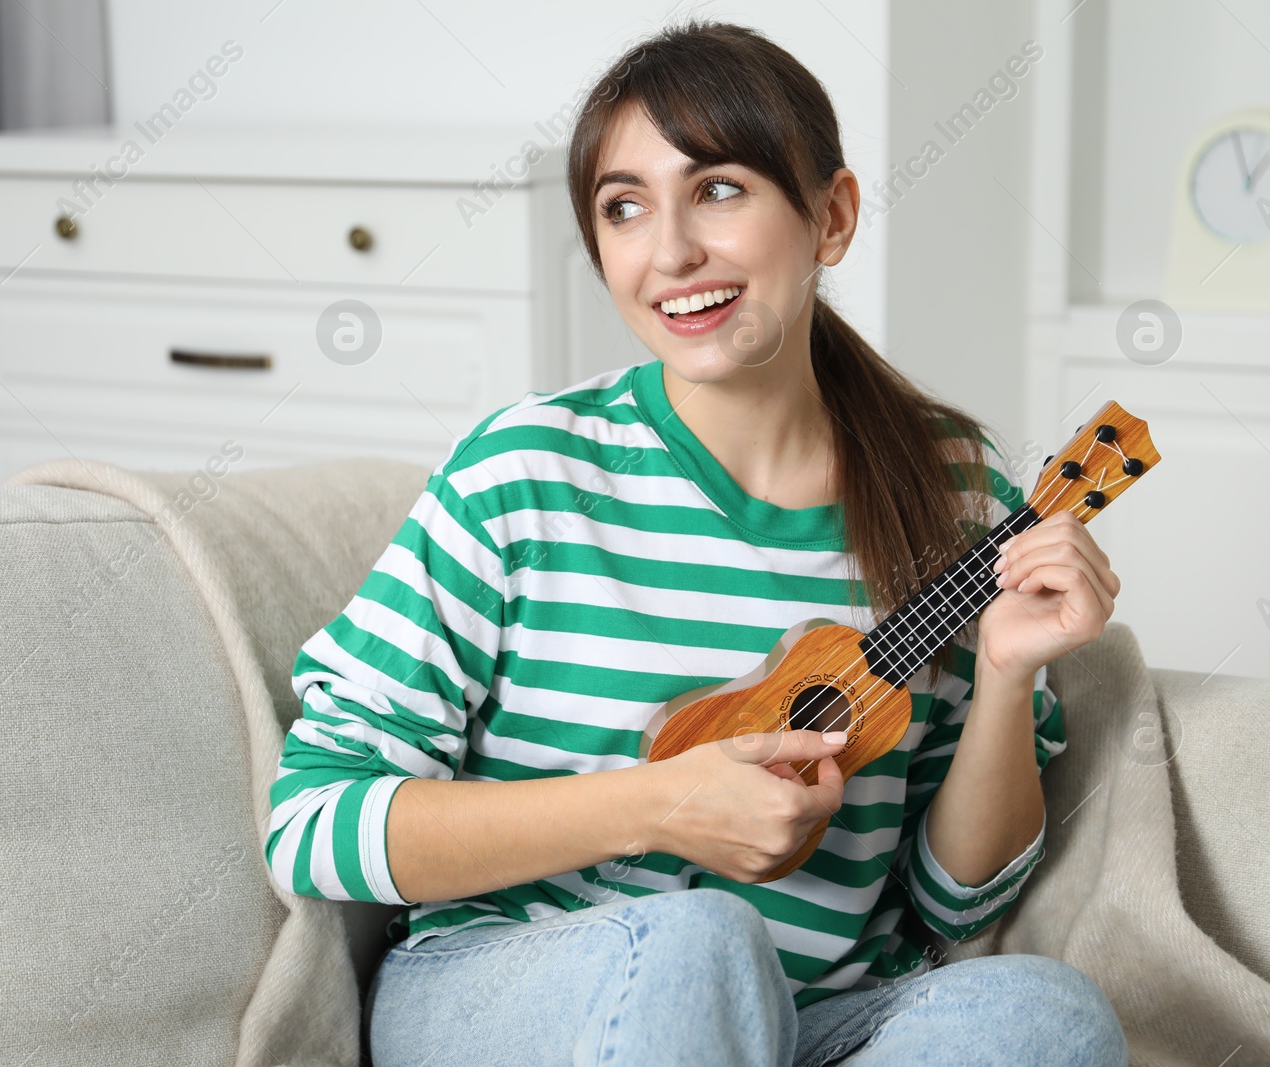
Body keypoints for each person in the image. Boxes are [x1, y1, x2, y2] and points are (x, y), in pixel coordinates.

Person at [266, 18, 1130, 1067]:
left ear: (832, 216)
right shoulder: (524, 473)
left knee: (1045, 1010)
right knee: (694, 943)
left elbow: (959, 899)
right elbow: (313, 821)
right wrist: (654, 804)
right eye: (624, 207)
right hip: (510, 990)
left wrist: (1002, 673)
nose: (670, 252)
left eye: (717, 188)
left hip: (813, 1019)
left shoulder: (958, 488)